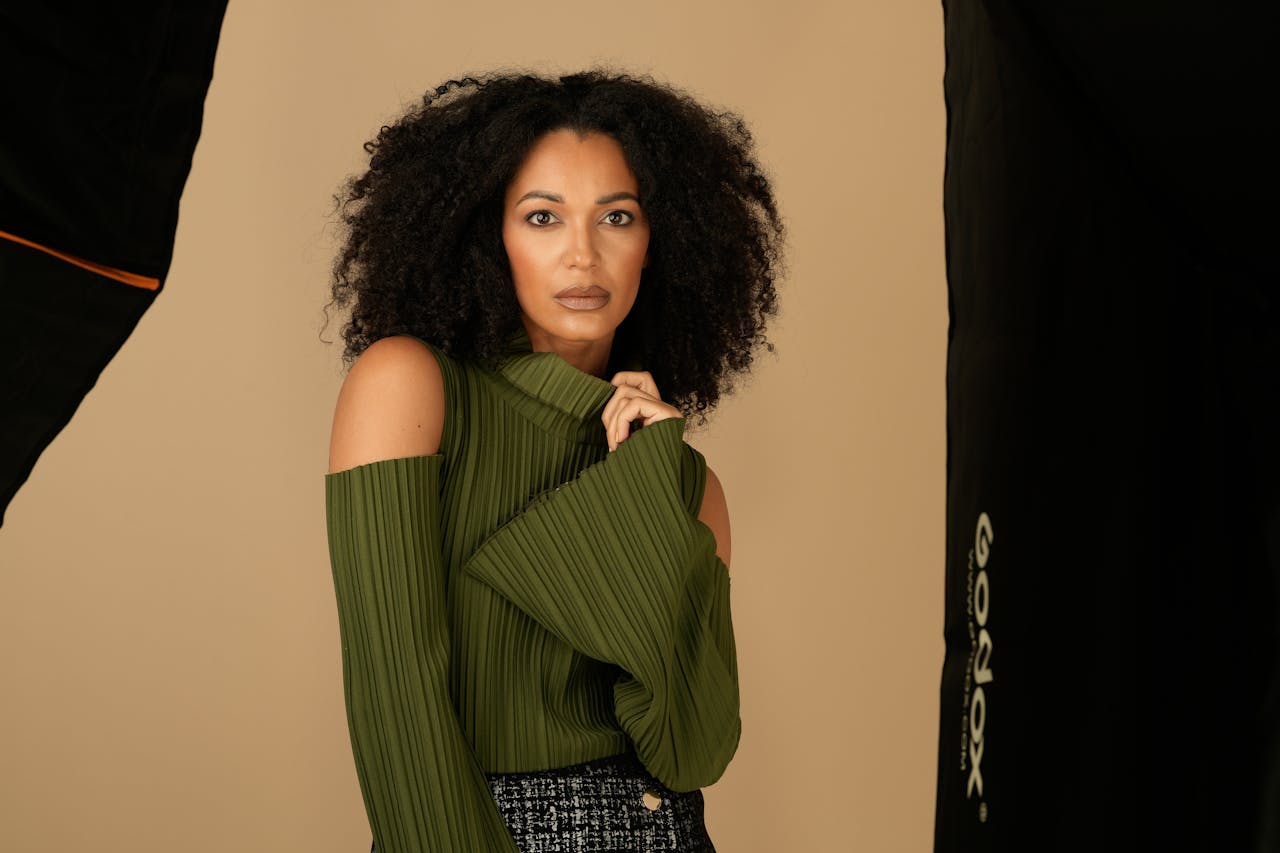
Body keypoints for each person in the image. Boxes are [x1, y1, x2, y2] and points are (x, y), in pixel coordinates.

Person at [322, 69, 783, 852]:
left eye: (617, 216)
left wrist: (642, 489)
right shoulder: (407, 387)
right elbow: (397, 705)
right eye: (542, 217)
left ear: (658, 241)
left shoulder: (686, 482)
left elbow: (693, 748)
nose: (582, 253)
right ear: (486, 235)